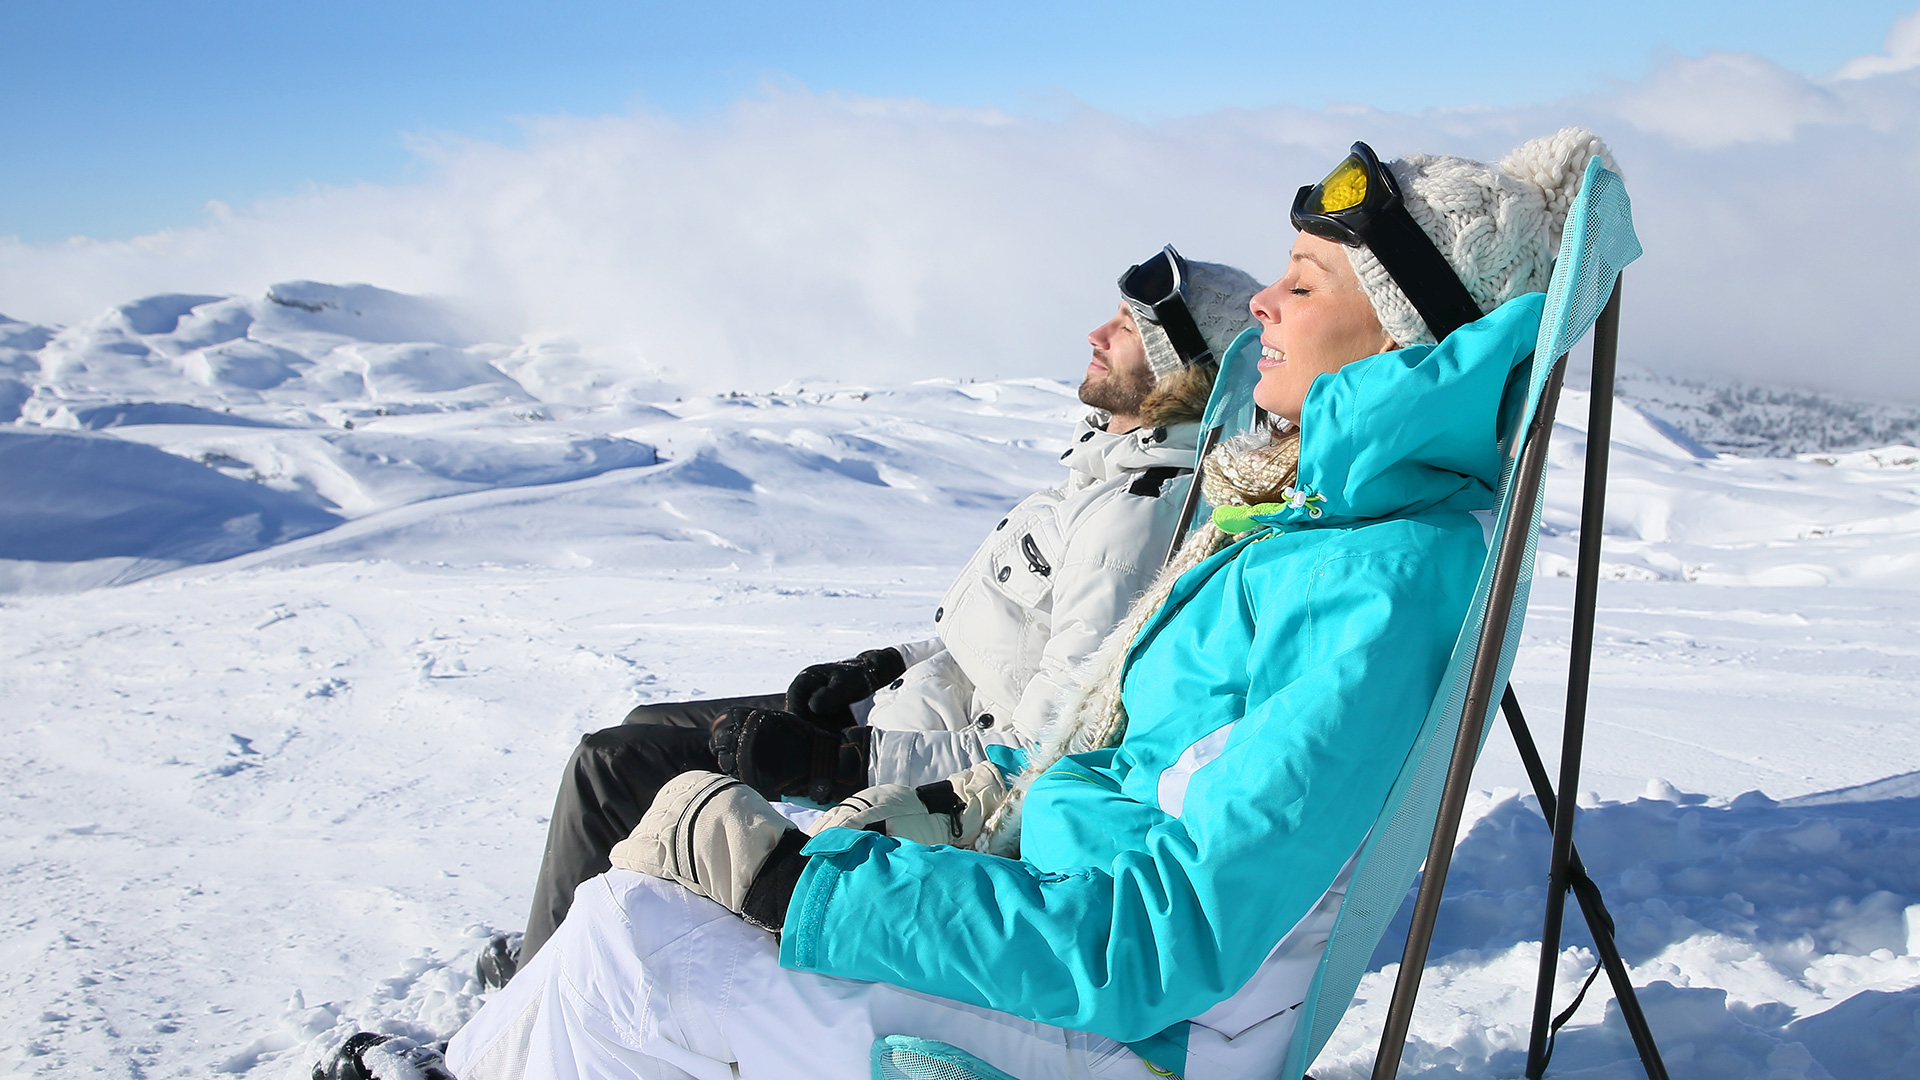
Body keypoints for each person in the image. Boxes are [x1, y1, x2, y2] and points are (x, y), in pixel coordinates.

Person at [435, 128, 1613, 1080]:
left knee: (637, 956)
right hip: (1062, 941)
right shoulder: (1298, 529)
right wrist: (910, 816)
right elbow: (1104, 770)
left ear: (1404, 338)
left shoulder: (1384, 578)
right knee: (632, 905)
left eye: (1303, 282)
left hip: (1128, 1029)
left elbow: (1173, 930)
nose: (1262, 302)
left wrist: (808, 883)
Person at [478, 250, 1265, 986]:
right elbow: (1000, 635)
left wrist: (834, 761)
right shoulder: (1105, 466)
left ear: (1179, 369)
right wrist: (880, 667)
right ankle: (575, 933)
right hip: (897, 718)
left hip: (917, 784)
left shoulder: (1131, 521)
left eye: (1127, 328)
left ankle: (541, 997)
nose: (1095, 335)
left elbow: (1041, 748)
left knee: (609, 766)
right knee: (645, 724)